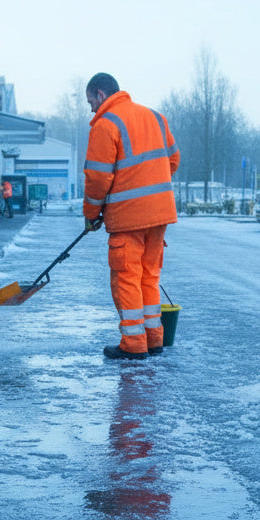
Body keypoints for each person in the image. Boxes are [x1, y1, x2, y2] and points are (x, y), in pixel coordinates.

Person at [82, 73, 180, 361]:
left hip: (128, 219)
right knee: (149, 277)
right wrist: (149, 191)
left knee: (126, 277)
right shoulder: (156, 118)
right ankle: (154, 339)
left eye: (90, 101)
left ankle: (133, 344)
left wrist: (92, 215)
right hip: (160, 215)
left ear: (101, 95)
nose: (91, 109)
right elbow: (172, 160)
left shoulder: (106, 124)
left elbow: (97, 178)